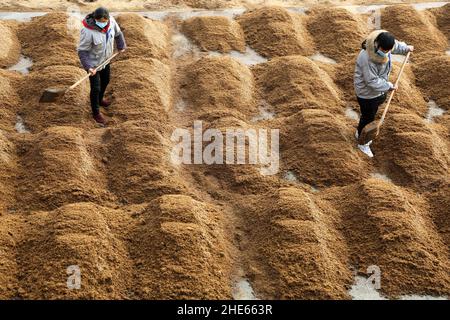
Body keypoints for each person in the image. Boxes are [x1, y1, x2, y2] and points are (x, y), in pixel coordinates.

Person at [354, 30, 413, 157]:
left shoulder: (385, 43)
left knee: (373, 108)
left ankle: (361, 130)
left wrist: (406, 48)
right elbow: (371, 81)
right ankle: (362, 142)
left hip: (378, 90)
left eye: (388, 51)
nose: (386, 53)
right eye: (384, 50)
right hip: (366, 93)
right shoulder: (366, 57)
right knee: (368, 117)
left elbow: (396, 46)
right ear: (376, 44)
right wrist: (389, 86)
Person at [77, 7, 126, 125]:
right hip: (93, 64)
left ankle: (100, 100)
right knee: (95, 88)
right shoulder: (87, 31)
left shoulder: (112, 22)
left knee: (106, 81)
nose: (103, 24)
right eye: (100, 21)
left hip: (105, 60)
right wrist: (88, 67)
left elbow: (118, 34)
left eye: (105, 21)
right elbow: (82, 51)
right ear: (95, 19)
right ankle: (96, 112)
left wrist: (121, 46)